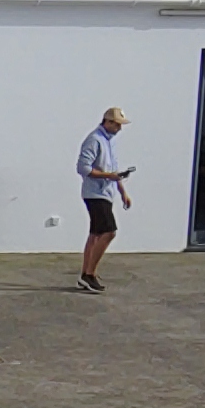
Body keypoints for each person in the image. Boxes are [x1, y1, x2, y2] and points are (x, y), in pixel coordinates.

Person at [74, 106, 131, 290]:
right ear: (107, 122)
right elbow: (83, 168)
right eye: (117, 125)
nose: (119, 129)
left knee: (96, 234)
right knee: (109, 232)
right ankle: (90, 274)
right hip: (95, 193)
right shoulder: (94, 140)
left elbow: (113, 171)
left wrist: (122, 192)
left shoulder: (109, 142)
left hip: (104, 194)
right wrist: (108, 177)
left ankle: (86, 274)